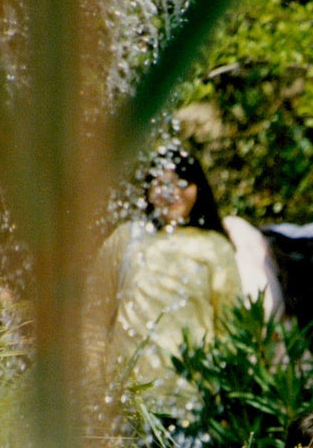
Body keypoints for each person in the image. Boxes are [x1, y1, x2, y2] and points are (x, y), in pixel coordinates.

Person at [96, 146, 243, 416]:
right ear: (148, 191)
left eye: (183, 183)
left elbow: (231, 331)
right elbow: (92, 321)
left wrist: (227, 400)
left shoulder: (215, 247)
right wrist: (92, 387)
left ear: (198, 189)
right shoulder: (125, 239)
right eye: (162, 184)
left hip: (193, 404)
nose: (172, 192)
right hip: (126, 403)